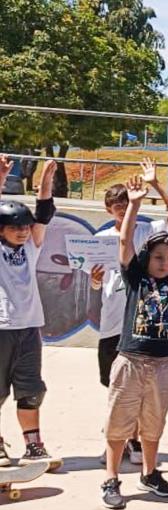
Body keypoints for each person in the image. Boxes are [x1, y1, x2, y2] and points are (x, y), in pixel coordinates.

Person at [101, 176, 168, 508]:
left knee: (153, 422)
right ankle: (111, 478)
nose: (164, 262)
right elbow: (124, 243)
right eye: (159, 256)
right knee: (119, 420)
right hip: (130, 359)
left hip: (164, 363)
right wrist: (133, 204)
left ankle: (149, 473)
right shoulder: (135, 276)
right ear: (148, 257)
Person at [92, 158, 168, 466]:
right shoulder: (100, 240)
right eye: (116, 204)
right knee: (115, 388)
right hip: (113, 322)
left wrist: (157, 183)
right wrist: (94, 280)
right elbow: (95, 284)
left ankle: (134, 443)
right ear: (108, 209)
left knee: (146, 393)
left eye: (126, 202)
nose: (122, 207)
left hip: (145, 325)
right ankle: (116, 442)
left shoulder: (150, 230)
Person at [0, 159, 58, 467]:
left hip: (29, 328)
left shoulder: (31, 247)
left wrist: (45, 186)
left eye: (24, 226)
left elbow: (44, 216)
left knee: (31, 390)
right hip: (1, 328)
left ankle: (34, 445)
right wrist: (1, 180)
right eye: (15, 228)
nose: (23, 232)